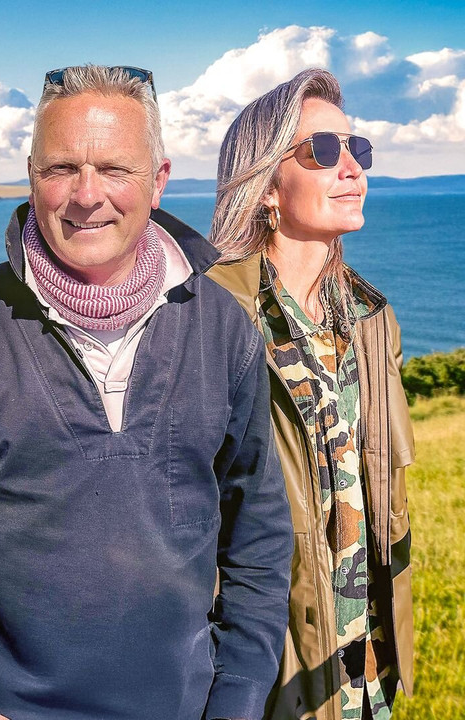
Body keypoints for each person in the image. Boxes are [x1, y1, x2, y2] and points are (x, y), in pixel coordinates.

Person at [0, 64, 294, 720]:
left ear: (159, 179)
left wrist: (235, 701)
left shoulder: (223, 328)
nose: (86, 196)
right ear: (33, 176)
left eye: (115, 169)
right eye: (61, 168)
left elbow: (257, 536)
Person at [207, 68, 414, 720]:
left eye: (358, 150)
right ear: (267, 185)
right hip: (265, 675)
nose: (351, 167)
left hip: (362, 668)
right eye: (324, 151)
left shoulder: (373, 320)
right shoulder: (208, 317)